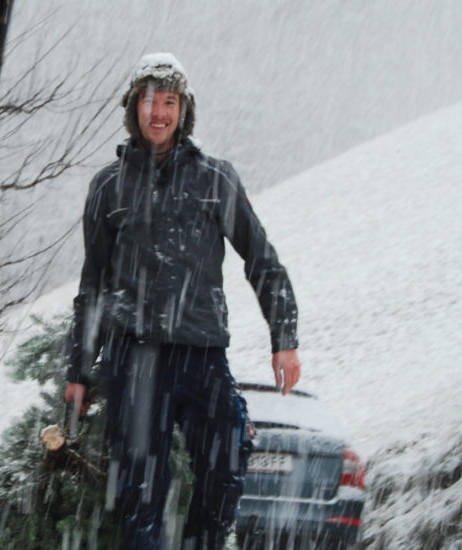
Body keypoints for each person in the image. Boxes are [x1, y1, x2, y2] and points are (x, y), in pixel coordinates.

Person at [62, 52, 302, 550]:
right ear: (134, 108)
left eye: (168, 102)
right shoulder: (109, 187)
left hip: (201, 354)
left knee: (229, 454)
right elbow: (93, 286)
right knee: (140, 495)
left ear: (182, 110)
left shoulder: (216, 180)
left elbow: (262, 261)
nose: (158, 113)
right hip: (134, 359)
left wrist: (285, 339)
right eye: (149, 101)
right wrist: (79, 371)